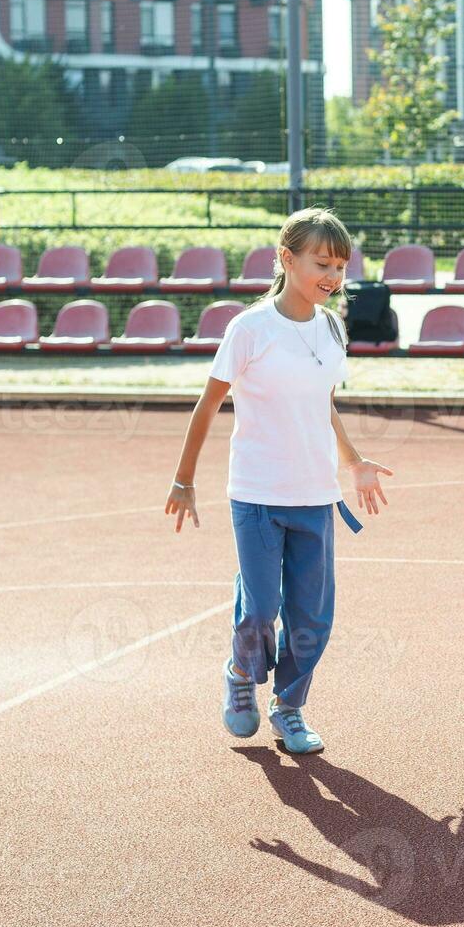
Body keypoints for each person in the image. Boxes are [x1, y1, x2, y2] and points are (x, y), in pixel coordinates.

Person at [165, 207, 394, 754]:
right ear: (287, 259)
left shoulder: (332, 326)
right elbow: (207, 404)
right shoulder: (250, 328)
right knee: (263, 606)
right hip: (257, 494)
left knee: (311, 616)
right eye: (323, 262)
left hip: (316, 495)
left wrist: (354, 459)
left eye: (340, 264)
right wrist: (183, 480)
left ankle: (289, 708)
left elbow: (324, 405)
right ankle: (242, 675)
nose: (334, 276)